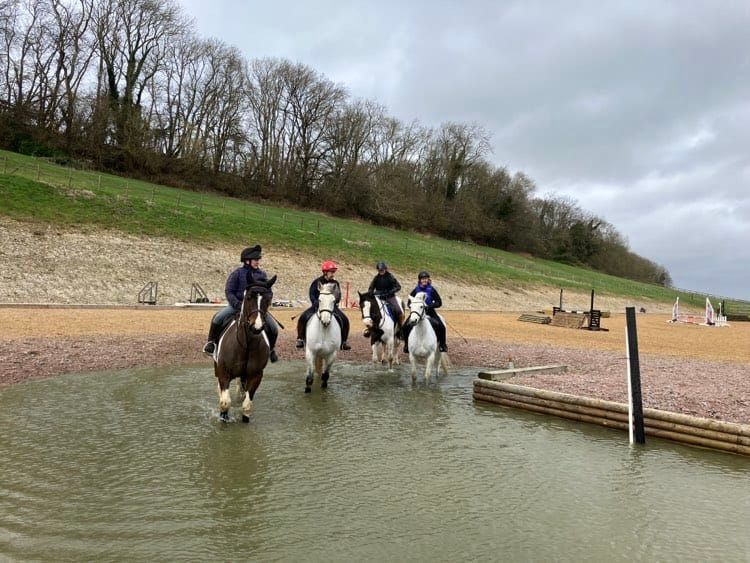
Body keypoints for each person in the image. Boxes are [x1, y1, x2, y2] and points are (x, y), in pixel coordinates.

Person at [202, 244, 280, 362]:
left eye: (258, 260)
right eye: (255, 260)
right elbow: (229, 291)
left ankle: (271, 350)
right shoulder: (237, 273)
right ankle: (211, 343)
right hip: (237, 306)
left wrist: (264, 304)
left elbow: (268, 292)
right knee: (217, 318)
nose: (257, 262)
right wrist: (238, 304)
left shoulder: (262, 275)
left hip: (256, 309)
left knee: (274, 328)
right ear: (247, 261)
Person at [295, 260, 351, 350]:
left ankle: (344, 341)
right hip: (317, 306)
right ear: (325, 272)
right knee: (303, 317)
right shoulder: (317, 282)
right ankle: (300, 338)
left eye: (334, 272)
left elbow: (338, 296)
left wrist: (334, 300)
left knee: (345, 320)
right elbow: (311, 293)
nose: (333, 274)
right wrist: (314, 301)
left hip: (331, 307)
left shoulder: (335, 284)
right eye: (331, 272)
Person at [402, 271, 447, 354]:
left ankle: (442, 345)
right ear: (420, 280)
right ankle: (406, 345)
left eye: (426, 279)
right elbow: (409, 302)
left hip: (429, 311)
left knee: (441, 326)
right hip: (418, 312)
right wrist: (414, 307)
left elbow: (439, 302)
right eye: (423, 279)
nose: (424, 280)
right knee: (405, 326)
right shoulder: (416, 290)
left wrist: (429, 306)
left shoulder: (432, 290)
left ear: (428, 279)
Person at [367, 261, 404, 336]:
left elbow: (398, 286)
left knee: (398, 310)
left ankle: (400, 328)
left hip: (390, 296)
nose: (381, 271)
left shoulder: (390, 277)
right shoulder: (376, 278)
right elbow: (371, 287)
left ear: (385, 269)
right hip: (379, 297)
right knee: (370, 310)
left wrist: (389, 293)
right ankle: (370, 328)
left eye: (382, 270)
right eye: (379, 270)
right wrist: (370, 293)